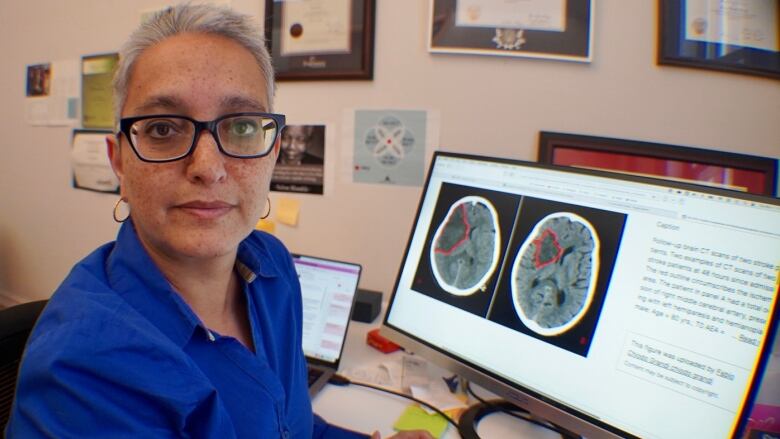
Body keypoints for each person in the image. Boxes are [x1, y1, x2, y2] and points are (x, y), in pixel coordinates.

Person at [5, 5, 431, 439]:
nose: (207, 167)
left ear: (273, 153)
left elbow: (291, 427)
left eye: (242, 127)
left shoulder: (272, 269)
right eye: (163, 129)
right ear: (119, 163)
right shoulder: (82, 372)